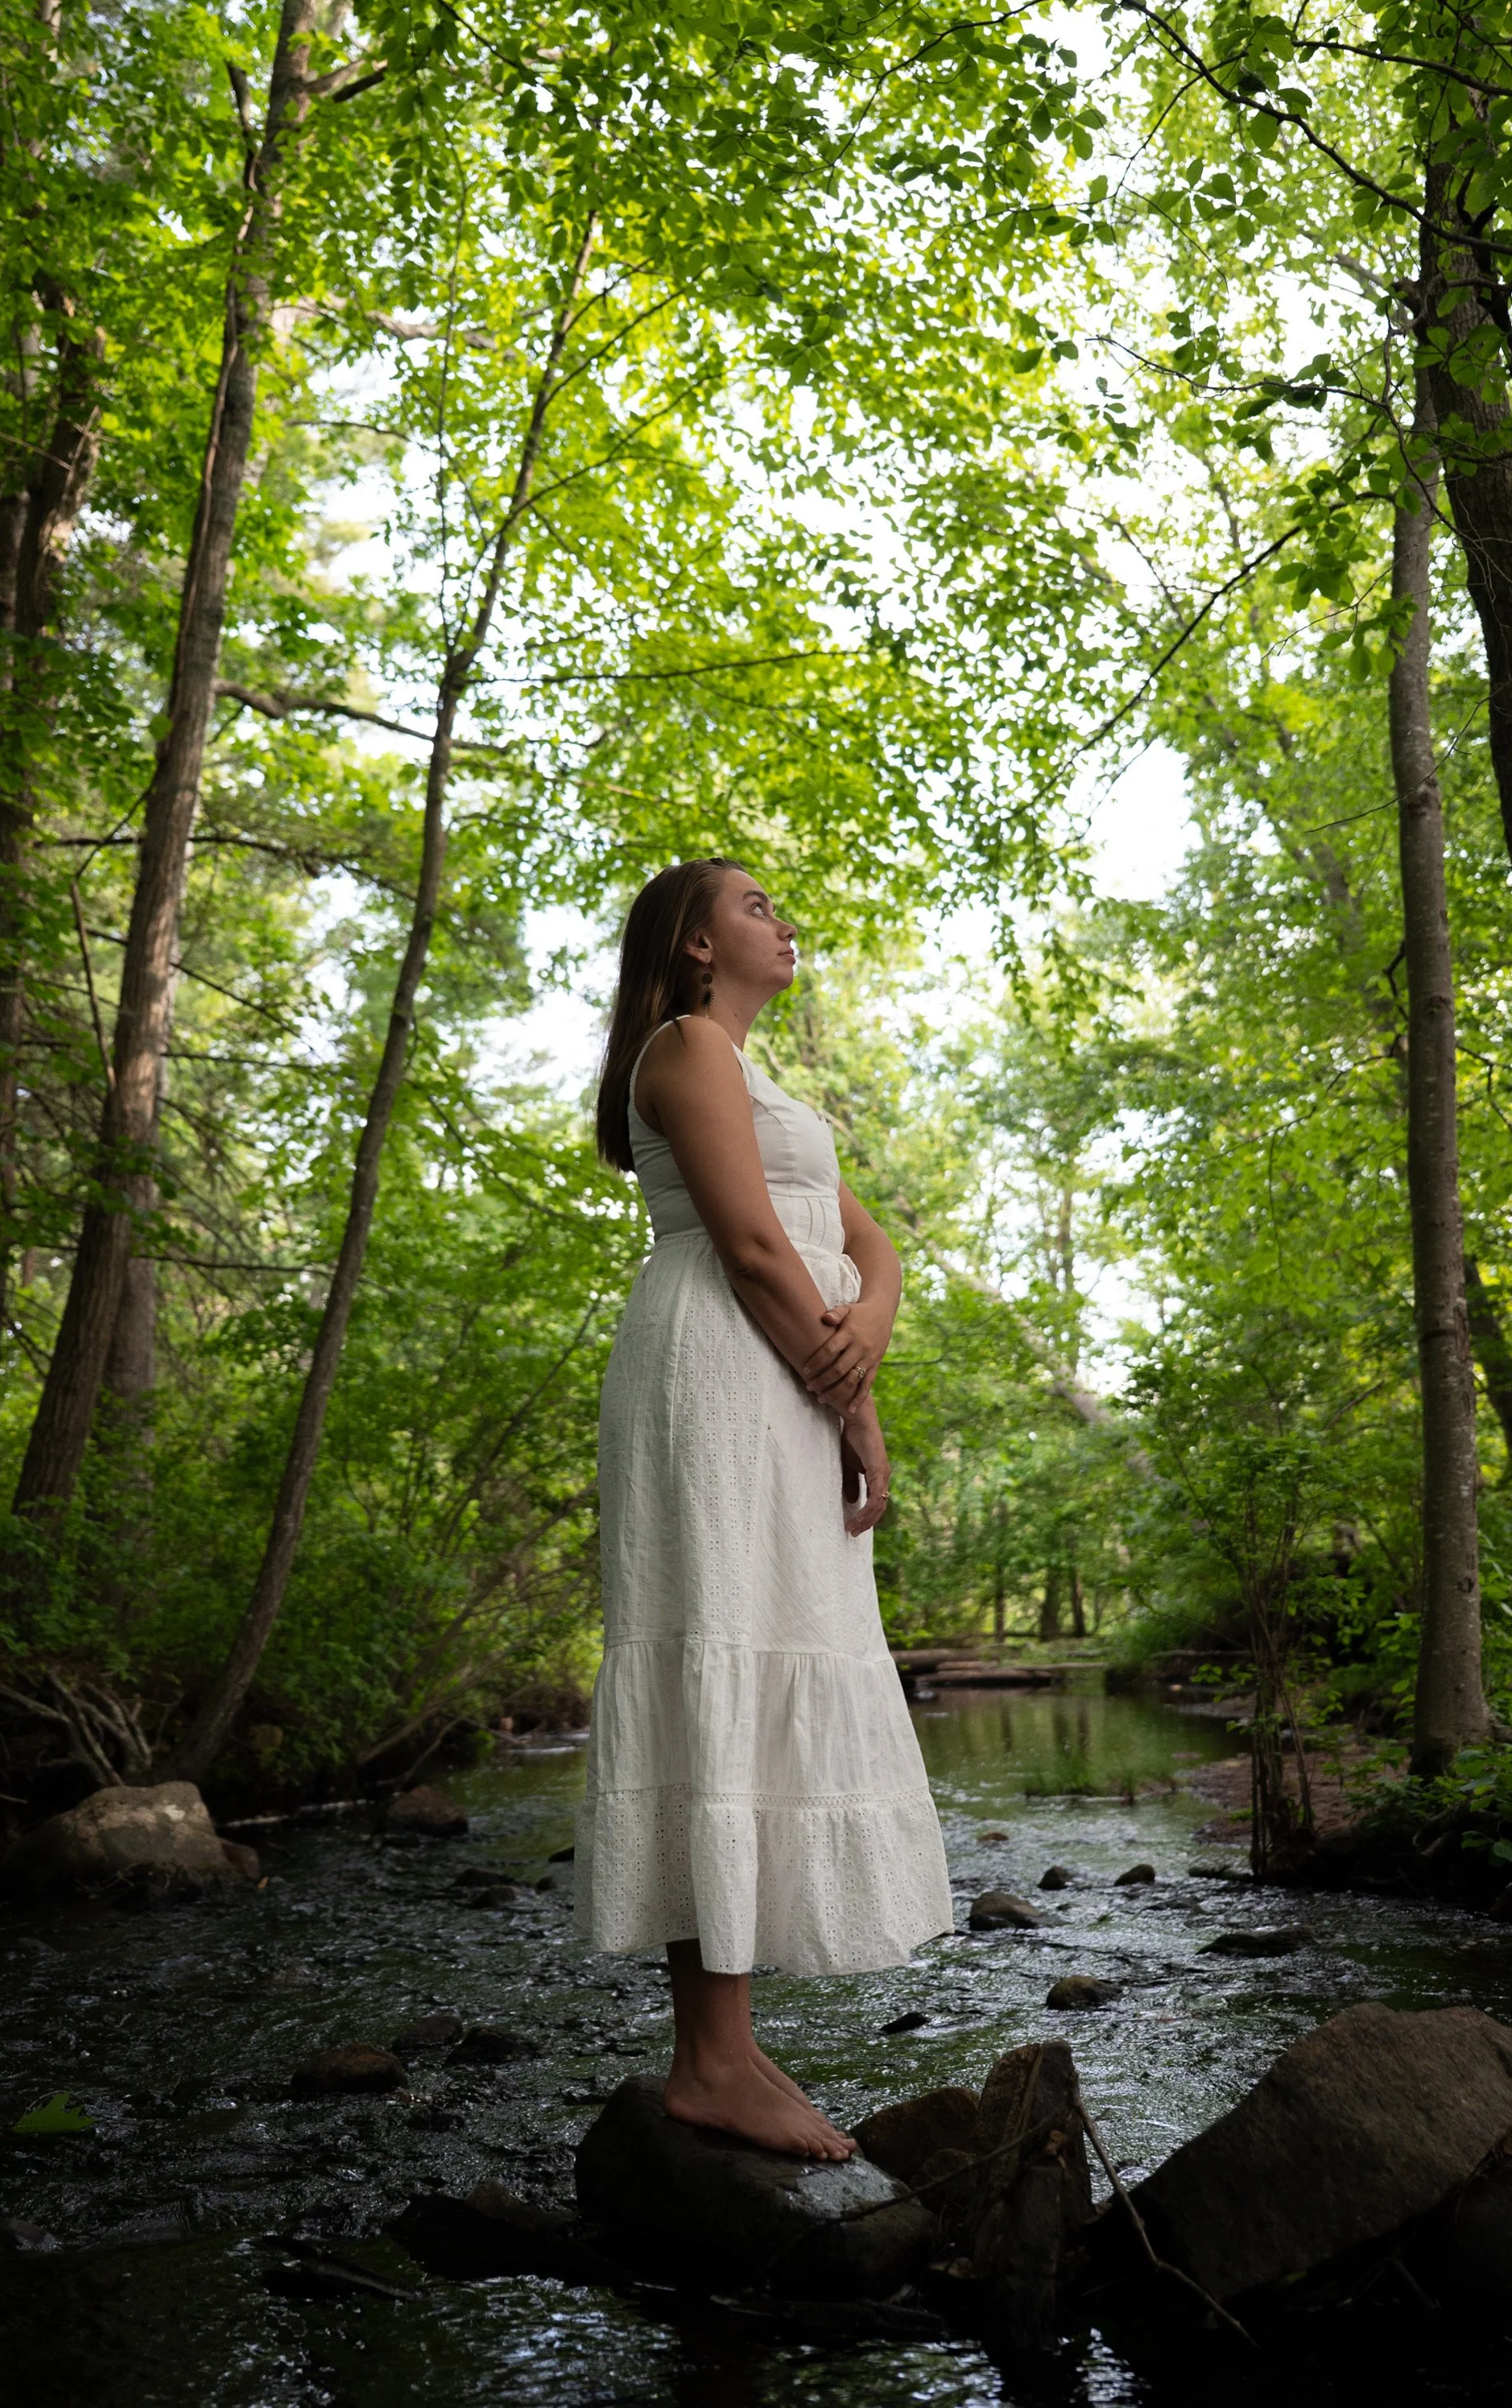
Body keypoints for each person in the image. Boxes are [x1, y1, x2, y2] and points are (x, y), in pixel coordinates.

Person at [578, 859, 953, 2158]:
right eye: (752, 906)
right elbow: (750, 1247)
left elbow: (871, 1244)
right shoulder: (684, 1049)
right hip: (726, 1372)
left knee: (766, 1657)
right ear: (690, 945)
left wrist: (874, 1345)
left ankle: (723, 2044)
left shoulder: (766, 1082)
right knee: (716, 1662)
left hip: (785, 1370)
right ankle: (710, 2059)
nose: (783, 921)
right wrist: (846, 1397)